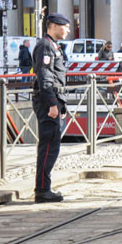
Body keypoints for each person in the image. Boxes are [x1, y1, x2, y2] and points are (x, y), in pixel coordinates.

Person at [32, 13, 71, 203]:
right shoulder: (46, 46)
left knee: (51, 146)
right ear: (54, 26)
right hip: (47, 101)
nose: (68, 30)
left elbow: (55, 77)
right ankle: (42, 190)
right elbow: (45, 77)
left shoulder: (53, 45)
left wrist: (61, 105)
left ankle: (44, 187)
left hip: (54, 100)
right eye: (65, 26)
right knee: (48, 147)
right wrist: (53, 104)